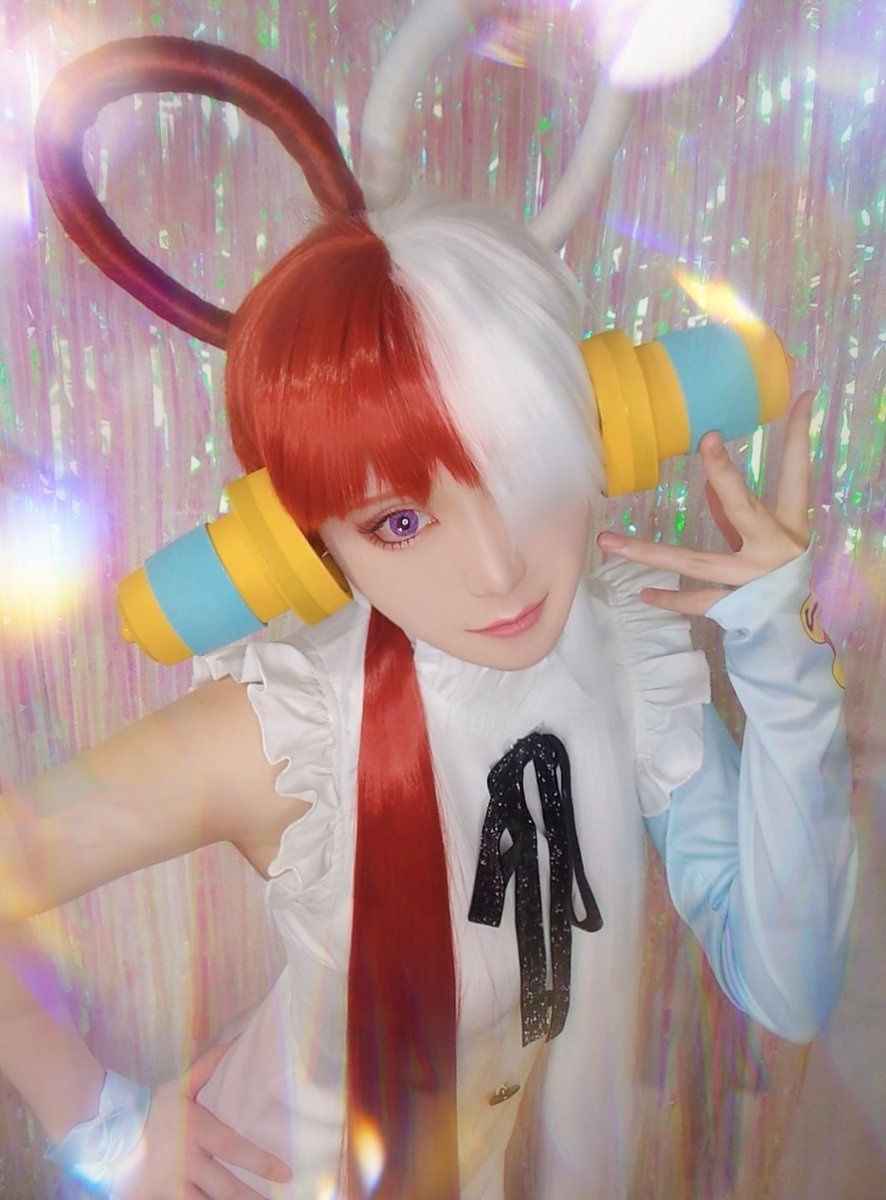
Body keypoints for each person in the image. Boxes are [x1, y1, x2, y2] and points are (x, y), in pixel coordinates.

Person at [1, 38, 856, 1200]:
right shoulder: (286, 734)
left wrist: (781, 657)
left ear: (598, 430)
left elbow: (787, 989)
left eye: (520, 466)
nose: (498, 572)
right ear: (310, 552)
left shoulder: (626, 663)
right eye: (399, 522)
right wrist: (102, 1130)